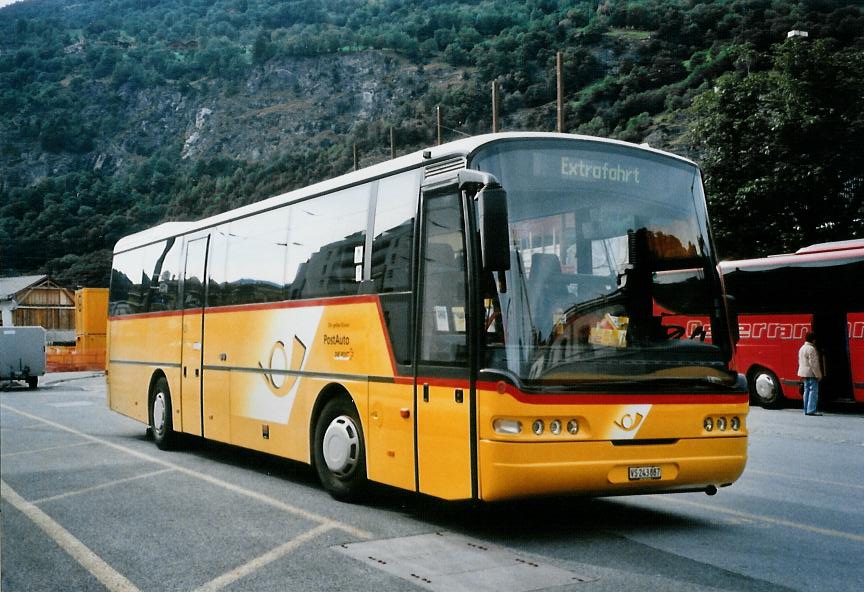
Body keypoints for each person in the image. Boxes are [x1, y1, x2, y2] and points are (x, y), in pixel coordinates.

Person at [797, 331, 823, 416]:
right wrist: (818, 375)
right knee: (813, 391)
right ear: (813, 340)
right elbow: (814, 364)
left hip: (804, 373)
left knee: (806, 390)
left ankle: (806, 409)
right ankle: (811, 409)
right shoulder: (811, 349)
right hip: (811, 373)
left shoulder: (802, 348)